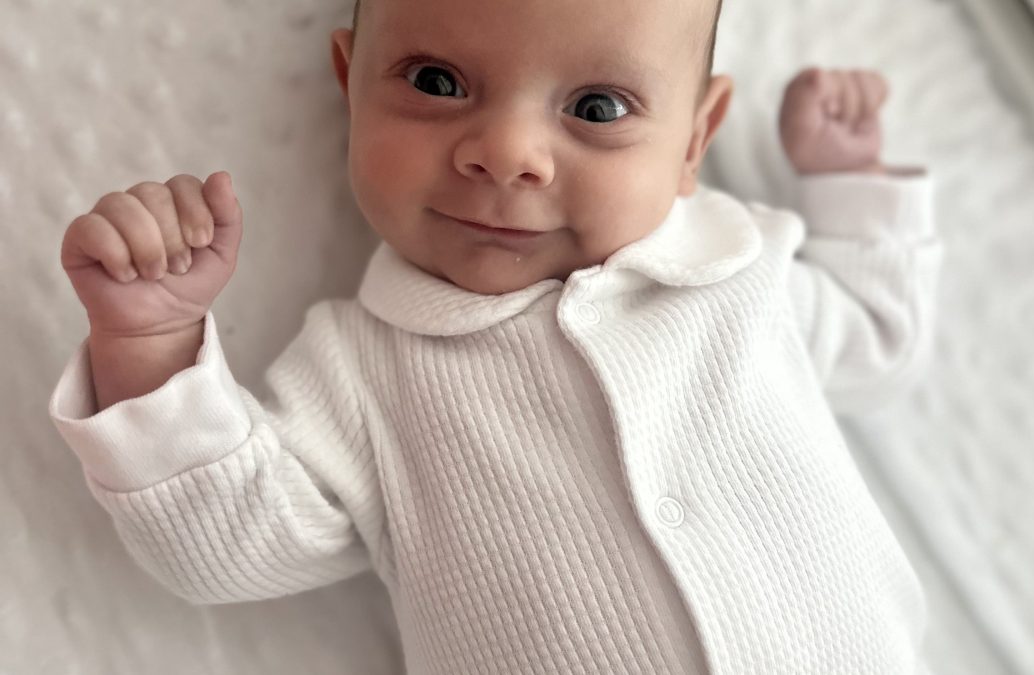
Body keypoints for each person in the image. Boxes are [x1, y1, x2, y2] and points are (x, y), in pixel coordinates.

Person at [49, 0, 944, 671]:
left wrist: (852, 182)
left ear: (694, 138)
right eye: (437, 83)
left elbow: (879, 343)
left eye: (597, 108)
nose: (509, 151)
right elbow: (230, 543)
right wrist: (154, 344)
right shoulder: (364, 370)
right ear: (349, 82)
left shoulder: (738, 270)